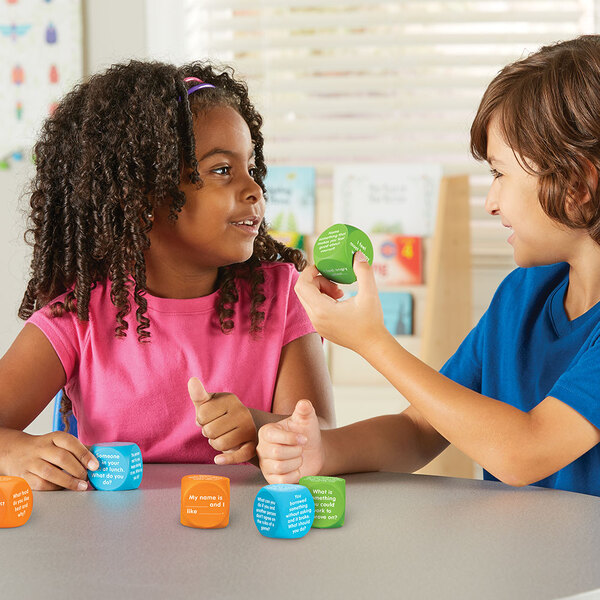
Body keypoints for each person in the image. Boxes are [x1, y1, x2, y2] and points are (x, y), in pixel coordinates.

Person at [257, 35, 600, 497]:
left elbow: (526, 450)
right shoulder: (522, 294)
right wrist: (323, 451)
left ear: (577, 185)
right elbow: (421, 428)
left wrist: (372, 342)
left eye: (500, 174)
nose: (491, 202)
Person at [0, 60, 335, 492]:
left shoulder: (282, 296)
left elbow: (320, 435)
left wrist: (258, 426)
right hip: (112, 532)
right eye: (222, 170)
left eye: (251, 169)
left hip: (250, 529)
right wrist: (12, 452)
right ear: (143, 199)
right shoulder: (79, 316)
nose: (255, 190)